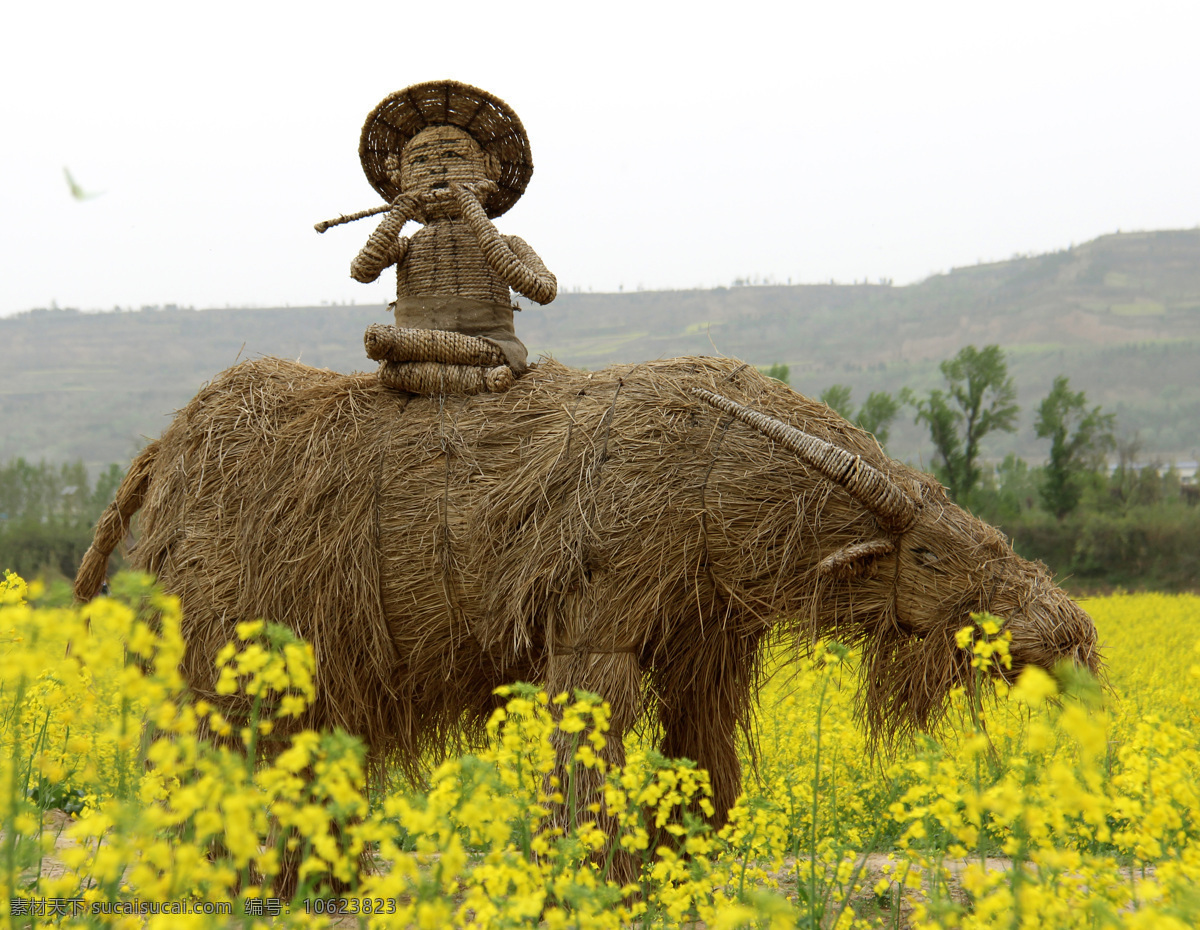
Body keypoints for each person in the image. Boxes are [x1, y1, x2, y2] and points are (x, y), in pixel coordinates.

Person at [350, 81, 556, 392]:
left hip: (487, 345)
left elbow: (543, 290)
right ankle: (481, 382)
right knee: (388, 357)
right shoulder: (409, 245)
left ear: (487, 168)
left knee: (485, 354)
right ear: (401, 176)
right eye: (420, 162)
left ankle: (483, 373)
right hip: (414, 348)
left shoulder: (508, 242)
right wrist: (399, 213)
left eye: (451, 155)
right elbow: (362, 270)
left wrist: (474, 212)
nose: (438, 169)